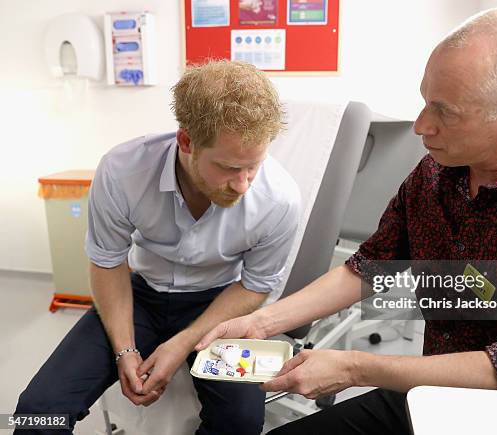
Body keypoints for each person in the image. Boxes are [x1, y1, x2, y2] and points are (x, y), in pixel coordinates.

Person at [196, 9, 497, 434]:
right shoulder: (435, 173)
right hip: (434, 396)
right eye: (424, 100)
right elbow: (370, 266)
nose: (420, 125)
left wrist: (355, 368)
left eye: (444, 111)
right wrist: (261, 323)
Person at [15, 60, 300, 435]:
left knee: (241, 422)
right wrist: (125, 350)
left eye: (254, 166)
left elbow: (255, 285)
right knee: (37, 410)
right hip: (141, 296)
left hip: (221, 307)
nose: (243, 184)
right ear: (186, 142)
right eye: (230, 168)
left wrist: (182, 344)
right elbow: (108, 261)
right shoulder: (122, 171)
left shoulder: (279, 200)